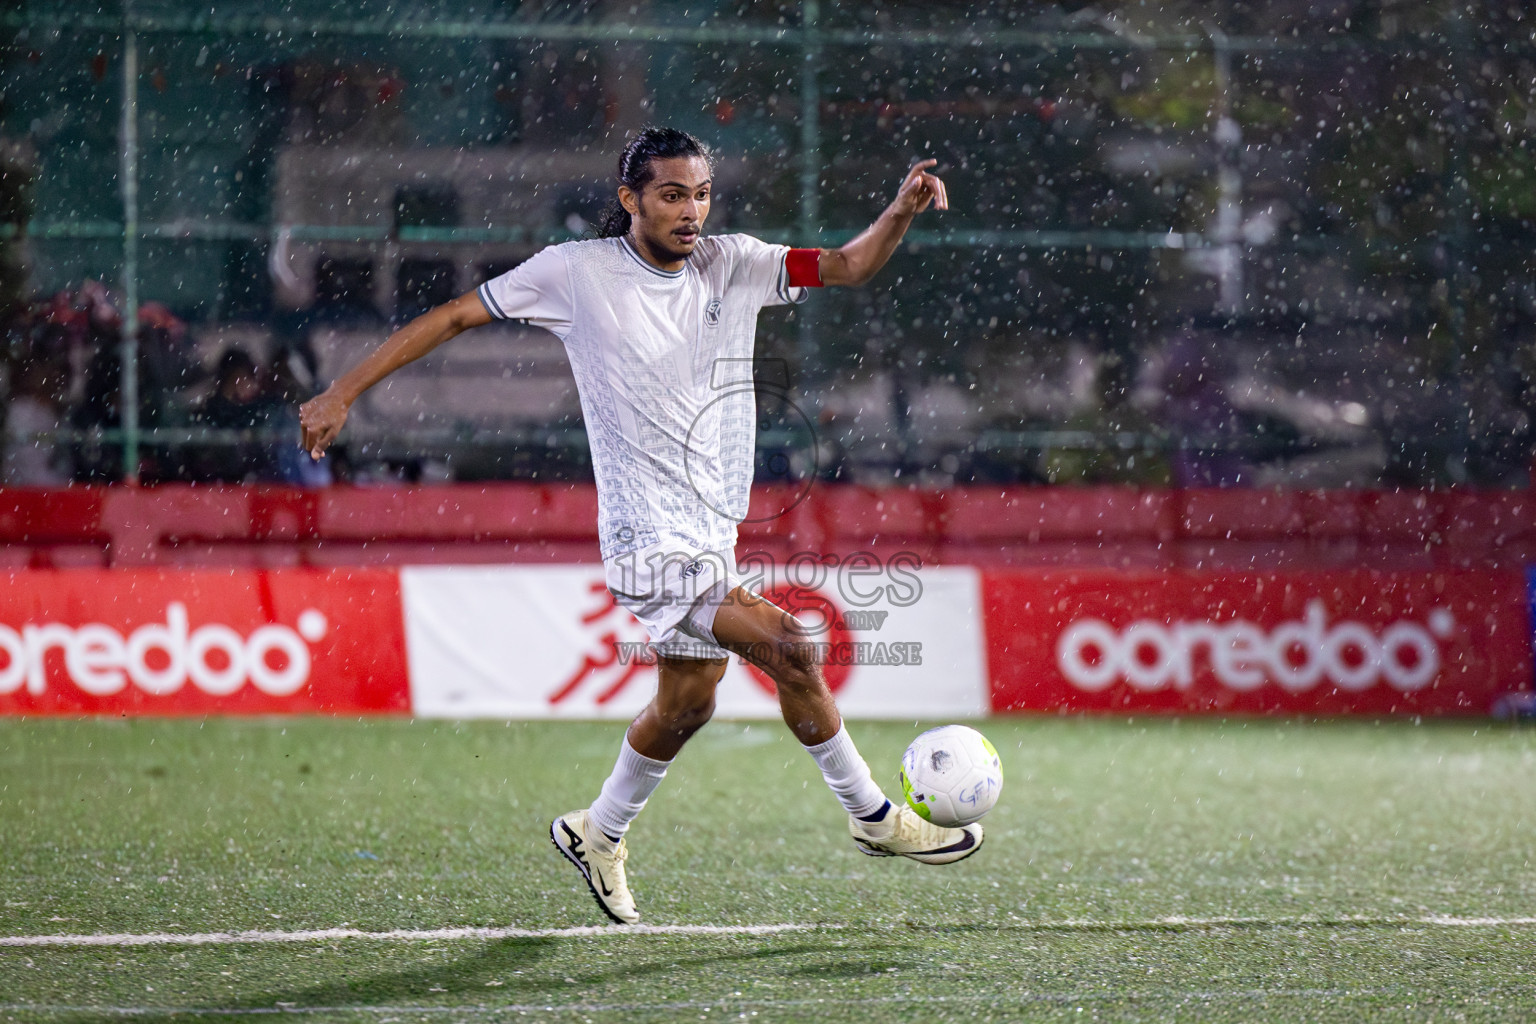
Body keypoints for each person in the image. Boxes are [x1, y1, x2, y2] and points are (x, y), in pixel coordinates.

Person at [298, 127, 982, 926]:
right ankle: (873, 819)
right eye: (670, 195)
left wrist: (899, 210)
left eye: (700, 195)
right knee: (795, 648)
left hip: (710, 534)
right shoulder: (575, 274)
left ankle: (598, 830)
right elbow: (455, 316)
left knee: (689, 702)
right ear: (629, 199)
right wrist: (343, 392)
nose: (691, 212)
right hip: (644, 541)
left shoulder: (739, 261)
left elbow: (850, 265)